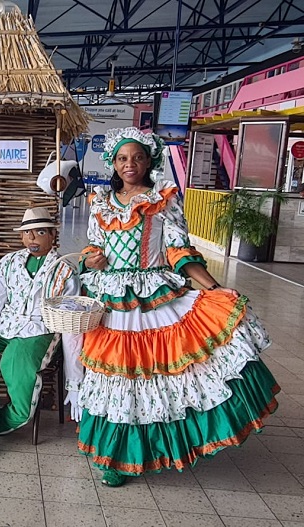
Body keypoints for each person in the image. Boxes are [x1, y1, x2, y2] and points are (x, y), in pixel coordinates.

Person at [67, 127, 278, 487]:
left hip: (154, 293)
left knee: (160, 378)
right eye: (121, 159)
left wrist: (214, 287)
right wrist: (92, 260)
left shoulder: (164, 198)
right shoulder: (99, 202)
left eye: (136, 157)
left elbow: (179, 250)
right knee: (117, 380)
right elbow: (92, 248)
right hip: (112, 299)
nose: (129, 164)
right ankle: (118, 458)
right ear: (113, 164)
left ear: (149, 160)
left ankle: (160, 448)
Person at [0, 207, 84, 456]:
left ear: (52, 235)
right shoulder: (9, 263)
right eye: (27, 233)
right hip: (5, 326)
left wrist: (74, 382)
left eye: (40, 232)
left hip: (39, 329)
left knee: (16, 364)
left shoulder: (65, 271)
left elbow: (70, 325)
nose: (32, 238)